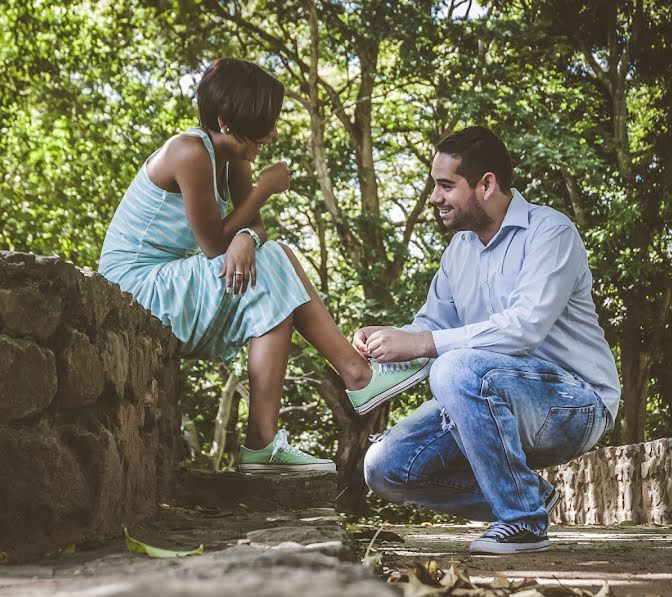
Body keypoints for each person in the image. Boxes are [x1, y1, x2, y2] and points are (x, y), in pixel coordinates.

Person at [98, 58, 429, 474]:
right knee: (277, 263)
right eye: (264, 123)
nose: (272, 134)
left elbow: (254, 230)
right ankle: (354, 377)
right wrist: (263, 191)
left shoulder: (234, 156)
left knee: (275, 276)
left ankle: (268, 441)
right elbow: (215, 241)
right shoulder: (188, 151)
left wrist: (247, 235)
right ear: (225, 120)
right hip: (139, 287)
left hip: (177, 280)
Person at [354, 126, 620, 554]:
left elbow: (523, 328)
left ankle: (522, 522)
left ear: (487, 184)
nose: (435, 198)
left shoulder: (550, 232)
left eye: (445, 186)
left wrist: (423, 344)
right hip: (485, 397)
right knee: (383, 467)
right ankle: (525, 494)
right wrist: (382, 344)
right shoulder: (458, 250)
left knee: (454, 366)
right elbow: (428, 330)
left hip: (576, 404)